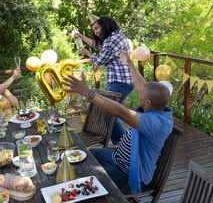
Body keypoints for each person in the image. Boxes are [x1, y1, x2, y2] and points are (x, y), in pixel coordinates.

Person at [61, 50, 173, 194]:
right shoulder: (156, 108)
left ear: (148, 102)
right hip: (117, 156)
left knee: (85, 179)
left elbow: (121, 112)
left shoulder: (155, 122)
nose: (139, 94)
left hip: (127, 173)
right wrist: (130, 63)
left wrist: (88, 93)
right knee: (83, 156)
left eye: (141, 96)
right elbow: (143, 87)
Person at [74, 15, 134, 146]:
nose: (96, 32)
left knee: (109, 112)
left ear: (104, 25)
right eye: (94, 31)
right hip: (122, 82)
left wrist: (88, 55)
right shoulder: (117, 35)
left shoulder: (110, 40)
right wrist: (81, 37)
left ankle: (123, 144)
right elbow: (98, 46)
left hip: (120, 82)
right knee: (109, 112)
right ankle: (120, 143)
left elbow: (99, 61)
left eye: (97, 28)